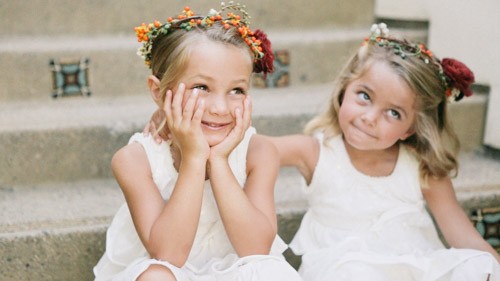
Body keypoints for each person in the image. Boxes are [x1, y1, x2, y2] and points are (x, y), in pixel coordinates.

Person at [268, 23, 500, 280]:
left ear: (409, 129)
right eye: (365, 96)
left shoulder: (421, 168)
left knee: (482, 264)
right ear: (345, 89)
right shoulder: (315, 152)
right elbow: (256, 149)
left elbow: (468, 240)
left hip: (414, 269)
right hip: (344, 271)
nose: (370, 118)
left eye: (393, 113)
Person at [93, 3, 303, 281]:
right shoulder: (135, 160)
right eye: (202, 87)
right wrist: (194, 157)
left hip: (235, 270)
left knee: (270, 272)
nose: (219, 107)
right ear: (159, 91)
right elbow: (167, 255)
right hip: (171, 271)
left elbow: (256, 250)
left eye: (237, 90)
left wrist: (218, 160)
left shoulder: (259, 153)